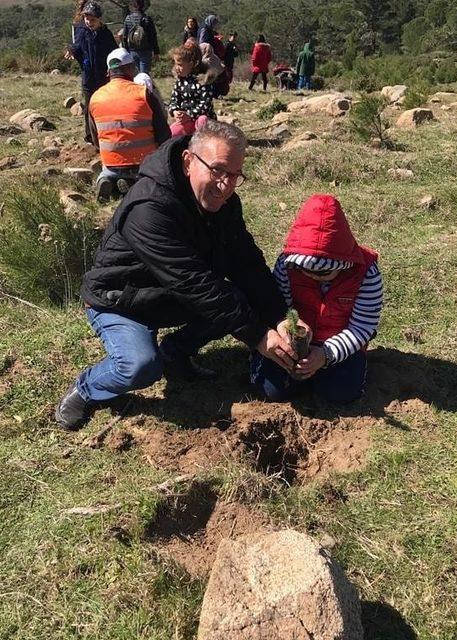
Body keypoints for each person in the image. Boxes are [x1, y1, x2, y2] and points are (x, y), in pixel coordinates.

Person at [55, 121, 299, 430]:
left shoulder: (223, 204)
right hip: (121, 300)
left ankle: (175, 352)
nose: (226, 185)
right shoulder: (150, 207)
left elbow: (246, 262)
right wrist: (258, 337)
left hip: (170, 295)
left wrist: (278, 317)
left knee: (236, 299)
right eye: (218, 170)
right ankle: (88, 388)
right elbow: (194, 283)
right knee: (140, 366)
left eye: (235, 175)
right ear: (188, 162)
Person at [251, 194, 383, 404]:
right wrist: (288, 339)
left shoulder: (366, 272)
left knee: (340, 395)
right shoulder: (287, 266)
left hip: (340, 344)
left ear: (342, 264)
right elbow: (277, 307)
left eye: (323, 273)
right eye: (305, 270)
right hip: (294, 344)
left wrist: (325, 354)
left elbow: (362, 327)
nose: (313, 276)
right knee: (272, 391)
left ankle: (331, 375)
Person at [88, 48, 170, 200]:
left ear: (109, 72)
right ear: (130, 69)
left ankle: (106, 179)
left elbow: (94, 138)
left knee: (107, 171)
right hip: (143, 163)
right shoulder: (144, 93)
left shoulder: (95, 97)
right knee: (152, 177)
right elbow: (164, 134)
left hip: (111, 162)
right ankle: (134, 182)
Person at [65, 1, 117, 143]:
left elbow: (114, 54)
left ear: (99, 19)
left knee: (105, 106)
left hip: (104, 77)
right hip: (88, 76)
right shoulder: (82, 31)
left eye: (92, 19)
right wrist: (72, 51)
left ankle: (105, 133)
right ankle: (90, 137)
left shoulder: (106, 34)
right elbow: (77, 47)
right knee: (89, 107)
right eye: (87, 19)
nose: (89, 22)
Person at [167, 44, 215, 137]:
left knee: (203, 120)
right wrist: (175, 111)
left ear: (192, 64)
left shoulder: (203, 81)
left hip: (199, 120)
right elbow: (174, 100)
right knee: (171, 134)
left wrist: (189, 115)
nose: (177, 67)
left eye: (180, 65)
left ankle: (202, 143)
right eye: (175, 64)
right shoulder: (180, 81)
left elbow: (205, 105)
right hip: (185, 120)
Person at [121, 0, 160, 73]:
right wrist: (156, 52)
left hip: (132, 50)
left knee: (135, 75)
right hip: (145, 50)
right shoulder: (147, 19)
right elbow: (153, 36)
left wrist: (126, 51)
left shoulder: (128, 19)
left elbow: (124, 37)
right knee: (144, 75)